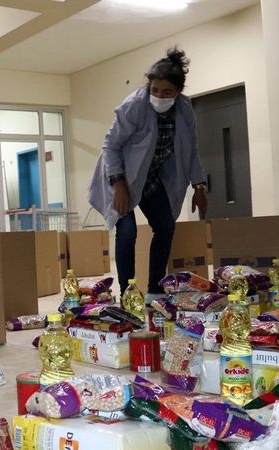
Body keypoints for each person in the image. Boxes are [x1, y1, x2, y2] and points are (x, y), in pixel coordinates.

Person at [88, 47, 208, 298]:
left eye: (167, 92)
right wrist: (118, 184)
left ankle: (155, 290)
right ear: (148, 86)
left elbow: (192, 148)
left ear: (178, 92)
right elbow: (111, 145)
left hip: (150, 176)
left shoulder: (184, 109)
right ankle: (128, 293)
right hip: (120, 174)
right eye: (155, 90)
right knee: (128, 229)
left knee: (165, 226)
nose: (159, 96)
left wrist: (199, 186)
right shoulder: (134, 105)